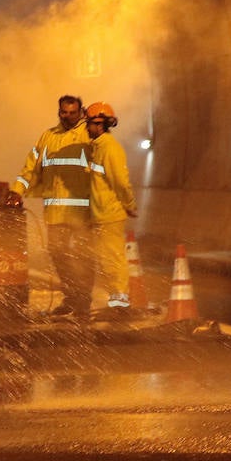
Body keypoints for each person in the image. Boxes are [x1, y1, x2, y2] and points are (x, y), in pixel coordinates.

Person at [4, 95, 94, 318]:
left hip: (82, 212)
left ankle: (83, 301)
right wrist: (17, 190)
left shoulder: (88, 136)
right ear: (59, 112)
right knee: (58, 255)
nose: (68, 116)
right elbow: (30, 168)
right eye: (64, 112)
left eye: (73, 112)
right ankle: (73, 298)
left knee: (83, 257)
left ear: (81, 112)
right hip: (55, 212)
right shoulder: (48, 137)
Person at [84, 102, 138, 311]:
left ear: (99, 124)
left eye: (89, 123)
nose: (87, 128)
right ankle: (116, 302)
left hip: (109, 215)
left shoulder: (109, 148)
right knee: (107, 261)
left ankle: (121, 303)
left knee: (114, 260)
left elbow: (120, 181)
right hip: (100, 215)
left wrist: (129, 204)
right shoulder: (97, 148)